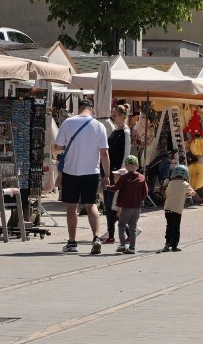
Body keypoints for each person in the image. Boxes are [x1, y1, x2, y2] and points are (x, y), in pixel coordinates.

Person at [54, 100, 111, 255]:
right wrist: (106, 175)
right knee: (91, 205)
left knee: (72, 207)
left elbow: (57, 147)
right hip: (92, 172)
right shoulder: (99, 126)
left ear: (79, 109)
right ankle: (96, 238)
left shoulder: (68, 122)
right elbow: (104, 153)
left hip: (71, 171)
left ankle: (72, 242)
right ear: (92, 110)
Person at [102, 104, 131, 245]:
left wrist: (120, 173)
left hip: (117, 174)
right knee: (109, 206)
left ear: (122, 116)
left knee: (113, 205)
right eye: (112, 115)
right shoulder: (115, 131)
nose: (112, 117)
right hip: (110, 173)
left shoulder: (125, 132)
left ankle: (127, 232)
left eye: (115, 115)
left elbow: (126, 153)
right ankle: (113, 235)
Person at [107, 155, 148, 254]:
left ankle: (122, 245)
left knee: (121, 225)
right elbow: (146, 192)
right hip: (137, 207)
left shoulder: (124, 177)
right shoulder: (142, 177)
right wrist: (139, 200)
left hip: (126, 206)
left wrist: (107, 187)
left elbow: (116, 188)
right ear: (137, 166)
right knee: (133, 227)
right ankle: (132, 248)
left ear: (126, 166)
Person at [161, 164, 195, 252]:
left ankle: (167, 243)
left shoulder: (170, 183)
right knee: (176, 227)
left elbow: (167, 194)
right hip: (177, 210)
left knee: (169, 225)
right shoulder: (185, 184)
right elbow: (193, 193)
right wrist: (186, 193)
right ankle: (174, 245)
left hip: (167, 208)